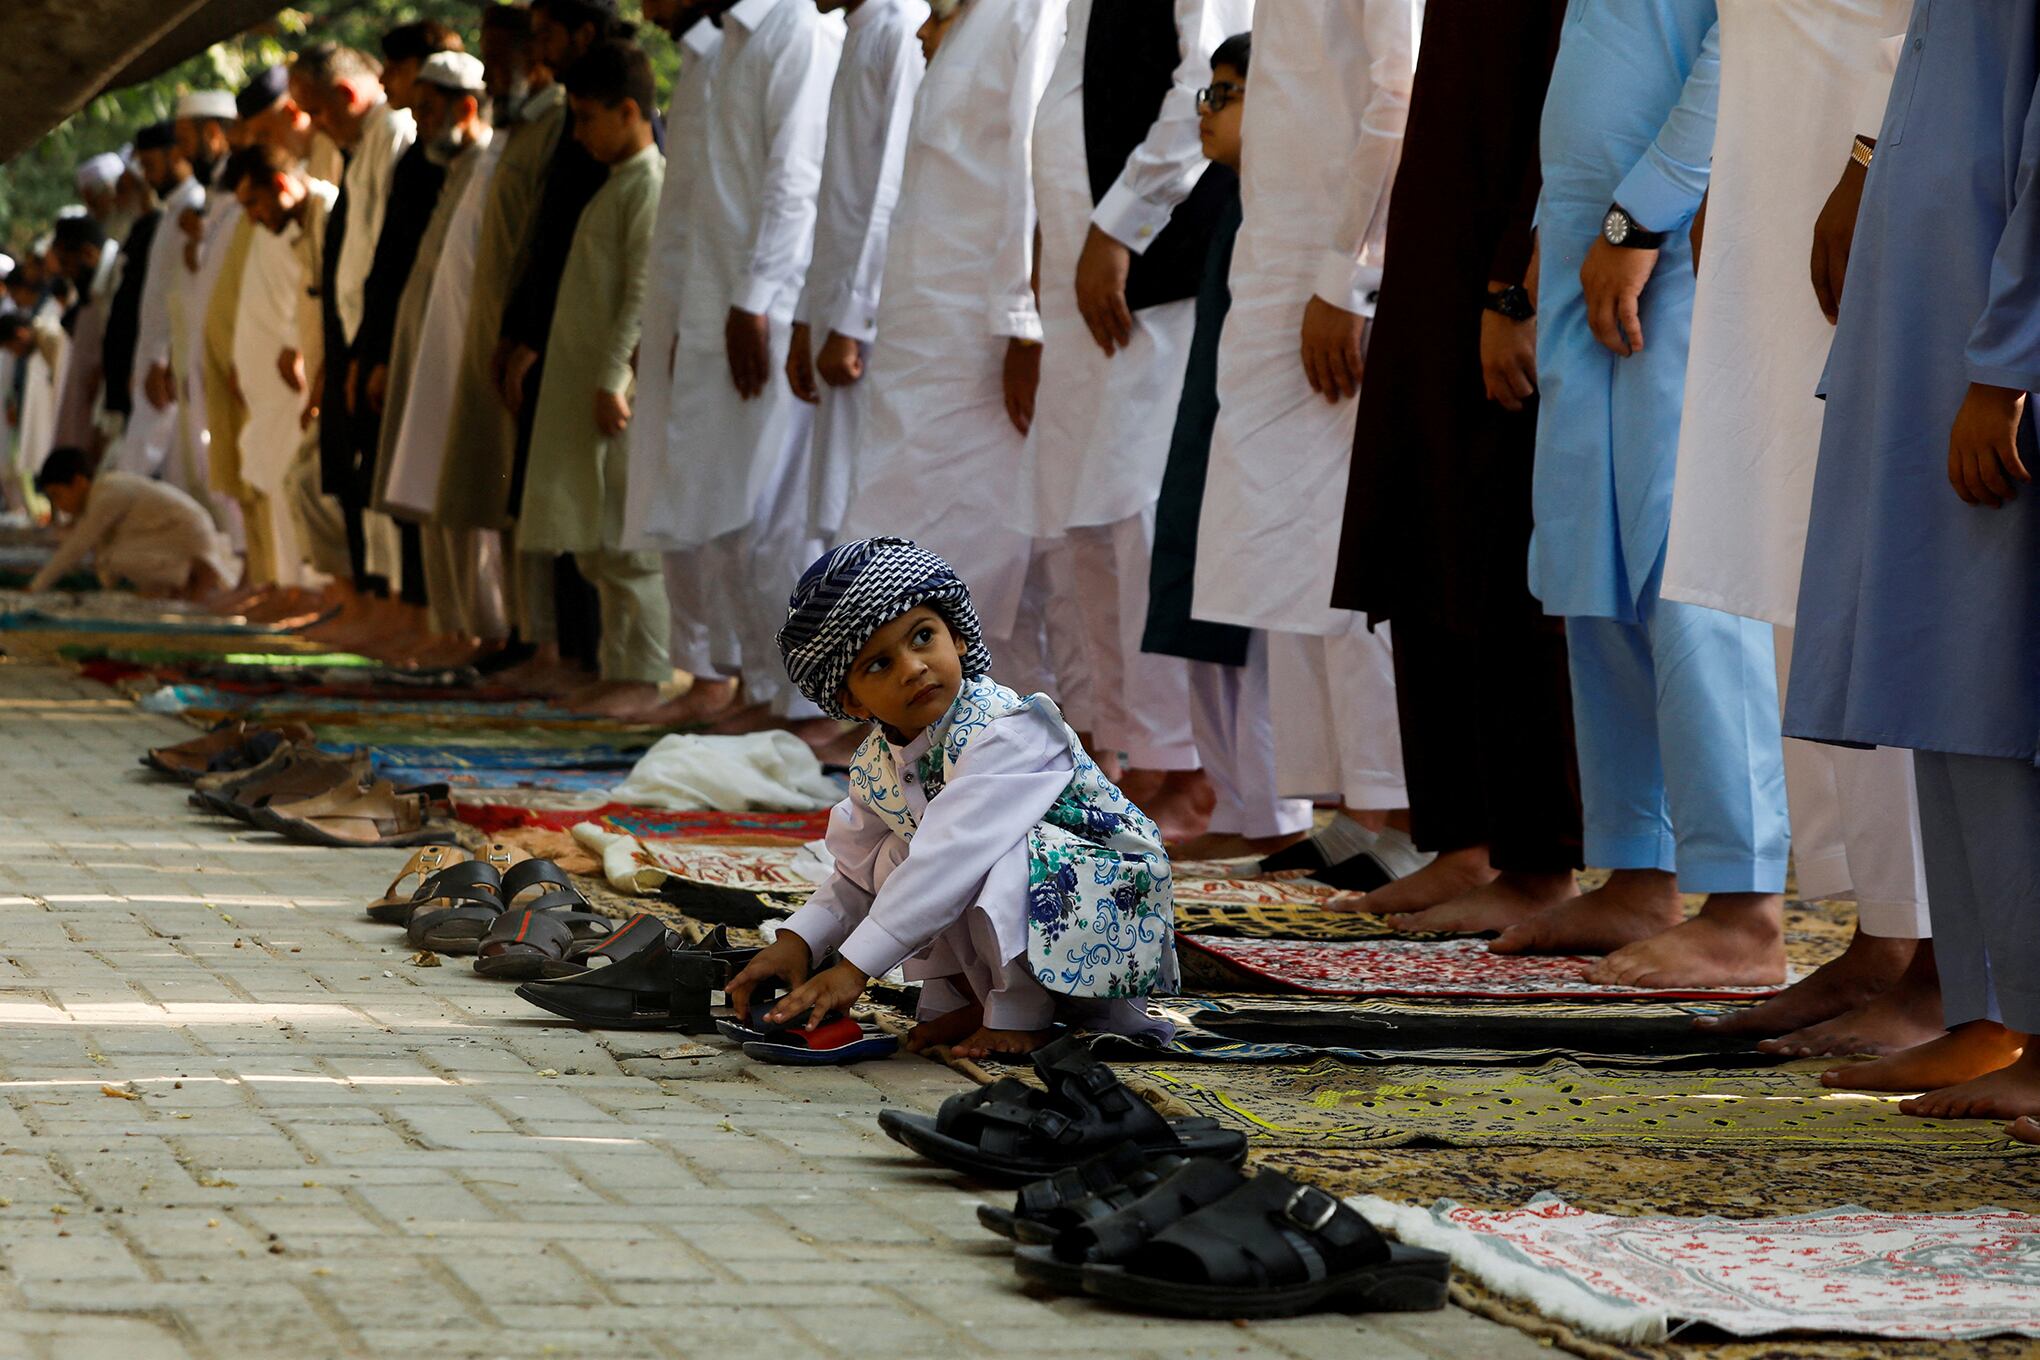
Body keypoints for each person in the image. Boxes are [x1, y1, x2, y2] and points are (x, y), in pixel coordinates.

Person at [1659, 0, 1934, 1057]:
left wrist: (1869, 155)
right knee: (1802, 572)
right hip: (1786, 180)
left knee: (1875, 572)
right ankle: (1882, 933)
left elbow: (1923, 23)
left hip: (1868, 177)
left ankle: (1937, 953)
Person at [1783, 1, 2040, 1134]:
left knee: (1999, 686)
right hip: (1939, 309)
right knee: (1949, 675)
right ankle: (1994, 1012)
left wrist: (2010, 360)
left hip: (1993, 329)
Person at [1499, 1, 1792, 991]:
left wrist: (1648, 208)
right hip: (1596, 232)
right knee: (1596, 562)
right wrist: (1560, 226)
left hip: (1677, 233)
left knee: (1690, 563)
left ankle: (1746, 904)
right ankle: (1638, 866)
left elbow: (1737, 44)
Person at [1325, 0, 1583, 926]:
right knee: (1422, 528)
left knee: (1498, 546)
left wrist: (1516, 279)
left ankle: (1539, 856)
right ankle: (1463, 839)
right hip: (1434, 255)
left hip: (1505, 263)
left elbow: (1572, 102)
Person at [725, 536, 1175, 1059]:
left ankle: (1022, 1014)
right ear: (849, 699)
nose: (912, 667)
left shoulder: (1007, 728)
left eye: (922, 637)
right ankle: (981, 1001)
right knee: (892, 856)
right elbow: (853, 872)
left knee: (986, 854)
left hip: (1109, 903)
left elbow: (951, 857)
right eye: (878, 665)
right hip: (1030, 905)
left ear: (957, 637)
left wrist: (854, 969)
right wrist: (797, 941)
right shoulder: (876, 763)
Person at [1188, 0, 1424, 892]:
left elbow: (1397, 94)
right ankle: (1350, 811)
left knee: (1344, 543)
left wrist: (1351, 270)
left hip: (1338, 264)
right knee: (1284, 547)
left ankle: (1401, 810)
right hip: (1277, 254)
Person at [1025, 0, 1247, 842]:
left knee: (1141, 514)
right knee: (1087, 519)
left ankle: (1187, 771)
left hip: (1152, 263)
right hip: (1084, 265)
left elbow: (1202, 82)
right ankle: (1129, 753)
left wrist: (1121, 224)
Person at [837, 0, 1066, 709]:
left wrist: (1024, 325)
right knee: (893, 535)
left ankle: (994, 740)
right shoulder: (956, 25)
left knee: (977, 553)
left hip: (982, 339)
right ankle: (955, 741)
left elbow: (1033, 170)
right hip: (921, 335)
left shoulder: (1027, 12)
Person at [625, 0, 841, 729]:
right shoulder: (731, 44)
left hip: (770, 312)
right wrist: (698, 312)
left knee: (777, 519)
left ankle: (806, 705)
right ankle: (761, 686)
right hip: (725, 312)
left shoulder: (800, 32)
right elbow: (704, 208)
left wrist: (755, 298)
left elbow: (797, 182)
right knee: (725, 515)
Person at [1141, 33, 1312, 855]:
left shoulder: (1292, 198)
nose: (1206, 111)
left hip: (1265, 431)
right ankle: (1239, 807)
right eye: (1205, 94)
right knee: (1198, 588)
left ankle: (1277, 816)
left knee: (1258, 610)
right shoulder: (1233, 201)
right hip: (1212, 422)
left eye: (1226, 92)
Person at [520, 41, 672, 717]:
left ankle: (644, 675)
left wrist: (615, 376)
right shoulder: (618, 184)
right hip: (589, 390)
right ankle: (619, 668)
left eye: (587, 119)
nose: (579, 134)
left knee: (627, 544)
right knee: (599, 543)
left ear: (630, 110)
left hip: (616, 395)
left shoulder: (649, 184)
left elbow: (642, 293)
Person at [373, 48, 509, 657]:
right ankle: (454, 629)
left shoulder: (491, 160)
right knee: (433, 496)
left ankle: (485, 631)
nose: (418, 120)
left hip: (468, 357)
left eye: (429, 110)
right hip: (431, 353)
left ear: (467, 107)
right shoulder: (451, 167)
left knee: (467, 503)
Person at [785, 0, 928, 552]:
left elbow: (890, 190)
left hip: (871, 321)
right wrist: (806, 317)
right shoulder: (858, 32)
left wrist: (850, 319)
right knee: (838, 517)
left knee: (868, 515)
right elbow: (836, 197)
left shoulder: (900, 30)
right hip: (834, 309)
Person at [628, 0, 736, 723]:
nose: (646, 8)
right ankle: (711, 675)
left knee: (743, 511)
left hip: (744, 311)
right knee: (683, 498)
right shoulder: (706, 57)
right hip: (692, 309)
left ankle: (747, 684)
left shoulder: (794, 37)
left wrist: (760, 302)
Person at [293, 41, 416, 592]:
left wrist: (371, 346)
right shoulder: (362, 147)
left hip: (383, 337)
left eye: (318, 111)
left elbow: (384, 257)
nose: (318, 127)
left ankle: (409, 613)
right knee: (358, 479)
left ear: (345, 94)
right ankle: (381, 607)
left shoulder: (394, 134)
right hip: (355, 338)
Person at [107, 121, 202, 480]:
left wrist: (162, 356)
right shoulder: (173, 211)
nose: (147, 175)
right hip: (154, 355)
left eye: (150, 164)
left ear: (176, 156)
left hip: (170, 359)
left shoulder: (193, 207)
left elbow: (185, 292)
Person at [27, 447, 237, 599]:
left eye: (57, 495)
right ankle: (183, 585)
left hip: (192, 537)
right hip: (185, 534)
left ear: (79, 482)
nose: (58, 504)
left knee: (111, 559)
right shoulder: (103, 491)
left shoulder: (106, 493)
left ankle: (192, 578)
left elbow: (77, 547)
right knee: (109, 557)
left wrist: (35, 587)